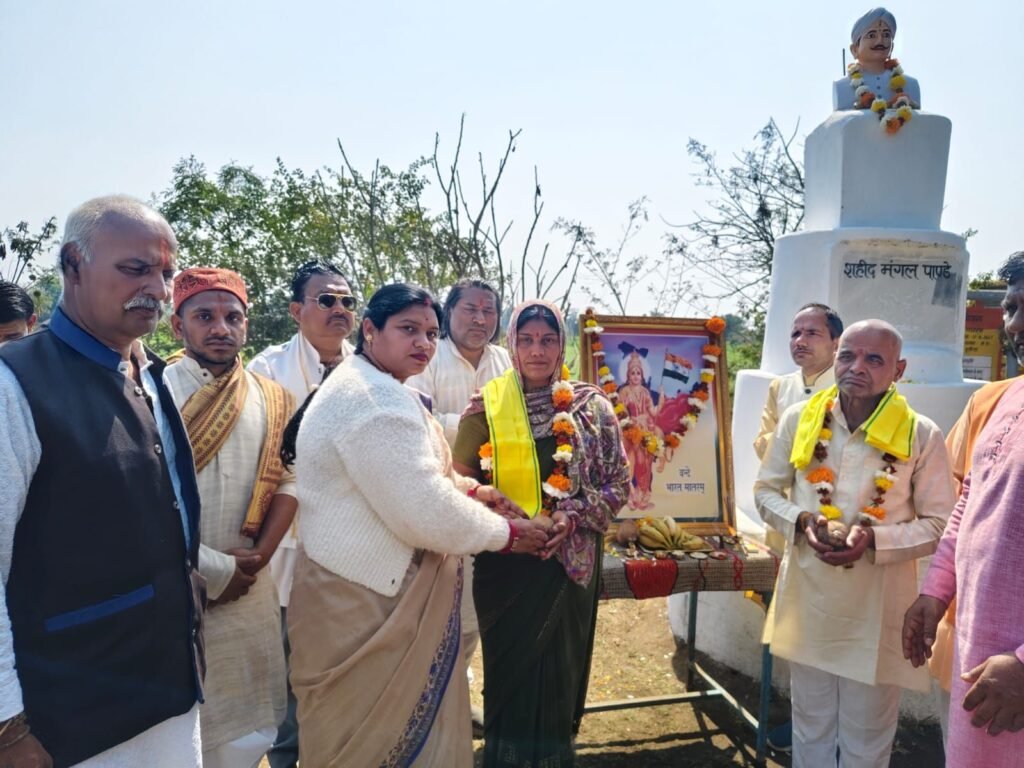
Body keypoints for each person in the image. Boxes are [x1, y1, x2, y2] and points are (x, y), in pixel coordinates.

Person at [283, 283, 552, 767]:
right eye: (408, 329)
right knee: (369, 741)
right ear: (370, 330)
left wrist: (474, 491)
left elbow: (422, 475)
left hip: (362, 590)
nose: (424, 343)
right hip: (362, 604)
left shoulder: (380, 386)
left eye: (430, 332)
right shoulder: (373, 401)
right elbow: (424, 510)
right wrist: (508, 535)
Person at [0, 196, 204, 767]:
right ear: (72, 264)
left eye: (166, 273)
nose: (158, 290)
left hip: (169, 694)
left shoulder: (152, 374)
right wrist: (8, 730)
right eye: (135, 269)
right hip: (68, 721)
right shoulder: (15, 386)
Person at [755, 319, 954, 767]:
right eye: (847, 355)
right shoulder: (800, 420)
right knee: (810, 725)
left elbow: (942, 522)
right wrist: (802, 518)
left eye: (874, 359)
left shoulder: (921, 434)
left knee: (867, 737)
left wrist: (874, 540)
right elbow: (765, 492)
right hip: (810, 598)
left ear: (898, 370)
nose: (856, 367)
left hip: (878, 606)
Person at [453, 299, 631, 767]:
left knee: (556, 676)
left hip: (566, 568)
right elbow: (458, 483)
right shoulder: (486, 407)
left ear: (562, 346)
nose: (537, 350)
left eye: (548, 340)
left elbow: (620, 483)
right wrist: (505, 519)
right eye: (527, 340)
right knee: (509, 676)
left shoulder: (591, 408)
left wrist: (570, 516)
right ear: (511, 344)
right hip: (505, 566)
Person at [165, 267, 296, 767]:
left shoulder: (273, 397)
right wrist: (211, 568)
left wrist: (258, 557)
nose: (220, 327)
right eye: (204, 316)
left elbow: (289, 478)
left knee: (248, 724)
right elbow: (139, 502)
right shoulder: (151, 391)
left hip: (249, 586)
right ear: (178, 326)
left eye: (232, 316)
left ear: (246, 324)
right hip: (175, 583)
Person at [903, 254, 1024, 768]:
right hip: (983, 664)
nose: (1014, 326)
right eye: (1013, 308)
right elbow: (966, 509)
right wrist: (934, 593)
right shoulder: (1002, 400)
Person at [246, 258, 356, 768]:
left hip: (354, 545)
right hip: (287, 544)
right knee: (290, 670)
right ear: (296, 310)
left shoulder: (367, 367)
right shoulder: (267, 371)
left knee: (346, 663)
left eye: (347, 301)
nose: (340, 310)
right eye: (326, 300)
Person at [405, 277, 512, 731]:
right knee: (445, 609)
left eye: (488, 310)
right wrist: (480, 428)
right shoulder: (428, 356)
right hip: (442, 499)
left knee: (484, 609)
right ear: (449, 313)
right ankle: (433, 703)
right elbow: (417, 422)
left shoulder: (505, 360)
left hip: (500, 499)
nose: (480, 319)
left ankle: (465, 699)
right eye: (470, 309)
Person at [754, 303, 843, 461]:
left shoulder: (849, 386)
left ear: (836, 343)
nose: (800, 342)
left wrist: (785, 441)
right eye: (795, 334)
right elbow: (762, 444)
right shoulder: (780, 386)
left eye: (812, 333)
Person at [833, 8, 921, 111]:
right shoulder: (842, 86)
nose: (880, 40)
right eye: (872, 35)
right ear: (854, 50)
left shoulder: (910, 84)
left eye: (886, 35)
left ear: (892, 47)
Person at [618, 350, 660, 510]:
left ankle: (644, 493)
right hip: (629, 430)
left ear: (642, 375)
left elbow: (653, 412)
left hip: (645, 429)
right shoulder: (624, 392)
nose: (635, 376)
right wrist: (629, 423)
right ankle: (630, 493)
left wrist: (661, 403)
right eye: (632, 373)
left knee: (645, 462)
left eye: (638, 373)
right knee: (630, 462)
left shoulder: (645, 392)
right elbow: (619, 411)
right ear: (628, 375)